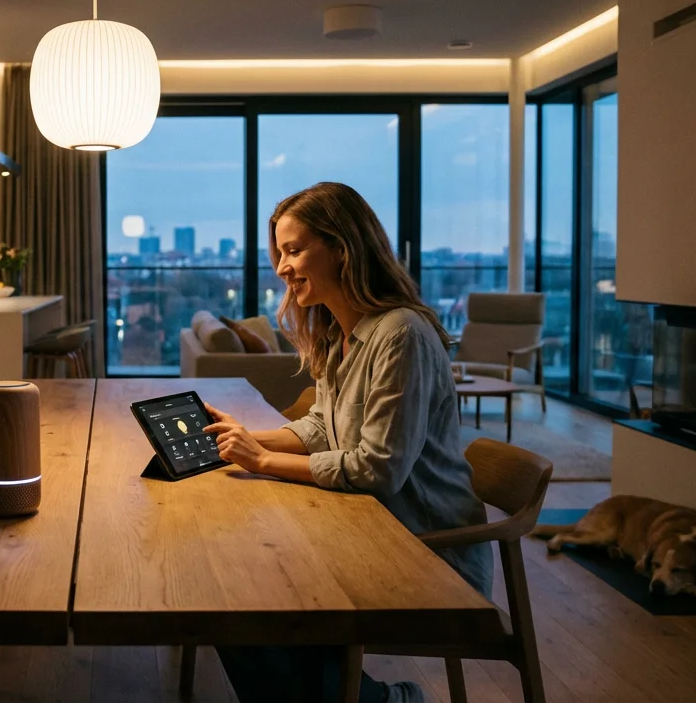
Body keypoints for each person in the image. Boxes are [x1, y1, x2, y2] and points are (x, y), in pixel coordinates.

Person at [204, 182, 492, 703]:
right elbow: (320, 426)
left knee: (239, 602)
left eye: (293, 250)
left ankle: (384, 700)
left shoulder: (400, 334)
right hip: (371, 531)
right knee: (233, 587)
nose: (282, 268)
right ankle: (375, 698)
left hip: (427, 555)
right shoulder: (340, 333)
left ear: (342, 247)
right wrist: (243, 439)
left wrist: (263, 460)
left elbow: (379, 469)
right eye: (279, 254)